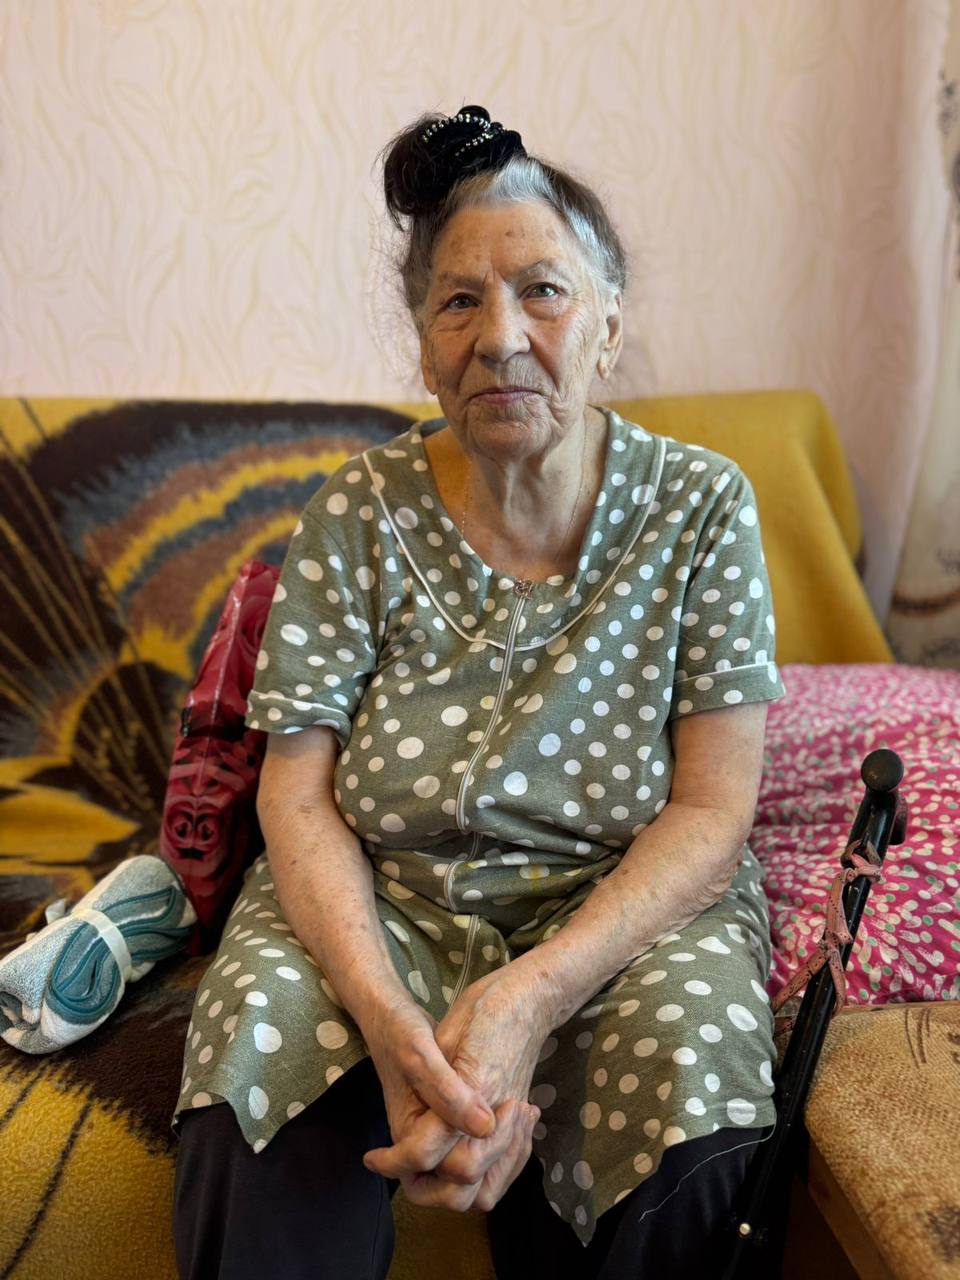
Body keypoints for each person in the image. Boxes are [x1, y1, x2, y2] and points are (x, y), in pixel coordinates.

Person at [172, 105, 785, 1279]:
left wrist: (532, 997)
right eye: (459, 301)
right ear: (422, 341)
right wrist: (387, 1017)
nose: (500, 337)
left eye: (543, 291)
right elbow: (294, 793)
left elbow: (715, 809)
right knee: (253, 1052)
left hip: (616, 912)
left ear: (609, 324)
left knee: (694, 1076)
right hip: (383, 900)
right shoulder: (355, 512)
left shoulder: (703, 508)